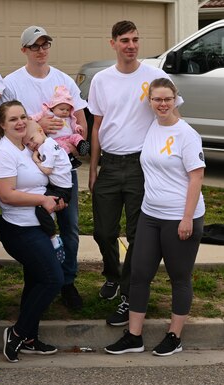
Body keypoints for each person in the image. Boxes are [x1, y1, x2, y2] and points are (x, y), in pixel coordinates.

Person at [88, 20, 183, 326]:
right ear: (112, 43)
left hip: (144, 166)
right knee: (103, 231)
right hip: (111, 164)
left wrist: (179, 155)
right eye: (124, 40)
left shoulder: (155, 76)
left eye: (135, 39)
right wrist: (93, 168)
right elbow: (97, 127)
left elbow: (172, 113)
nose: (131, 45)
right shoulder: (102, 80)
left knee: (138, 235)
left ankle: (129, 292)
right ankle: (113, 275)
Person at [104, 77, 205, 356]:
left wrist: (187, 218)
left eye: (167, 99)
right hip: (150, 214)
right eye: (157, 99)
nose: (162, 104)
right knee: (139, 274)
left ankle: (174, 336)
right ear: (150, 102)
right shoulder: (150, 127)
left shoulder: (187, 134)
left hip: (180, 217)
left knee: (179, 278)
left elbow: (196, 178)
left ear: (176, 99)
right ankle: (134, 336)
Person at [2, 25, 88, 310]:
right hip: (31, 169)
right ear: (24, 50)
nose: (41, 50)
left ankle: (67, 282)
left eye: (45, 44)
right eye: (35, 46)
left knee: (69, 226)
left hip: (63, 167)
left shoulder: (63, 80)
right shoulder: (12, 83)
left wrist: (77, 143)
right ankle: (39, 279)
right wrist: (38, 126)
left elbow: (80, 120)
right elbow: (6, 123)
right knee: (38, 226)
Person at [0, 101, 64, 363]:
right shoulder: (3, 153)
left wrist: (53, 198)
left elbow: (37, 184)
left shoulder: (26, 148)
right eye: (12, 119)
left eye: (22, 117)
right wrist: (42, 201)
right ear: (1, 125)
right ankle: (18, 332)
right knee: (53, 279)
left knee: (35, 281)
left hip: (39, 225)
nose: (20, 122)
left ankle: (29, 337)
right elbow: (6, 195)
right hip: (20, 229)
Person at [23, 119, 72, 262]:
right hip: (59, 186)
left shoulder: (47, 147)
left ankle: (54, 239)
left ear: (41, 131)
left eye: (32, 140)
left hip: (61, 190)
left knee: (40, 208)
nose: (32, 145)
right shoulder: (50, 143)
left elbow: (48, 170)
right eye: (28, 144)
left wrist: (36, 160)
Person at [31, 85, 90, 168]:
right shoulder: (48, 114)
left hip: (69, 137)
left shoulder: (69, 118)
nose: (65, 112)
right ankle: (70, 159)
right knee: (62, 146)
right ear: (53, 107)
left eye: (68, 110)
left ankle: (81, 146)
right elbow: (36, 117)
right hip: (56, 140)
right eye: (62, 109)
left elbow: (74, 124)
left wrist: (77, 128)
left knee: (76, 136)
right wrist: (31, 119)